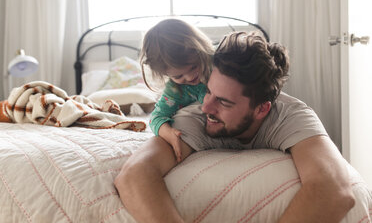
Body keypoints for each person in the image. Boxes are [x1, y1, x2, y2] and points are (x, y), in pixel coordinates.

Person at [114, 31, 355, 222]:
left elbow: (335, 190)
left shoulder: (291, 116)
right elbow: (134, 175)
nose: (207, 107)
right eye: (208, 91)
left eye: (223, 101)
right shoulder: (195, 117)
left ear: (262, 109)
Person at [139, 18, 214, 162]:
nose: (190, 76)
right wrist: (167, 132)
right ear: (165, 75)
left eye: (193, 67)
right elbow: (156, 117)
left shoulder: (217, 61)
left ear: (201, 51)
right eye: (178, 75)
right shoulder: (175, 90)